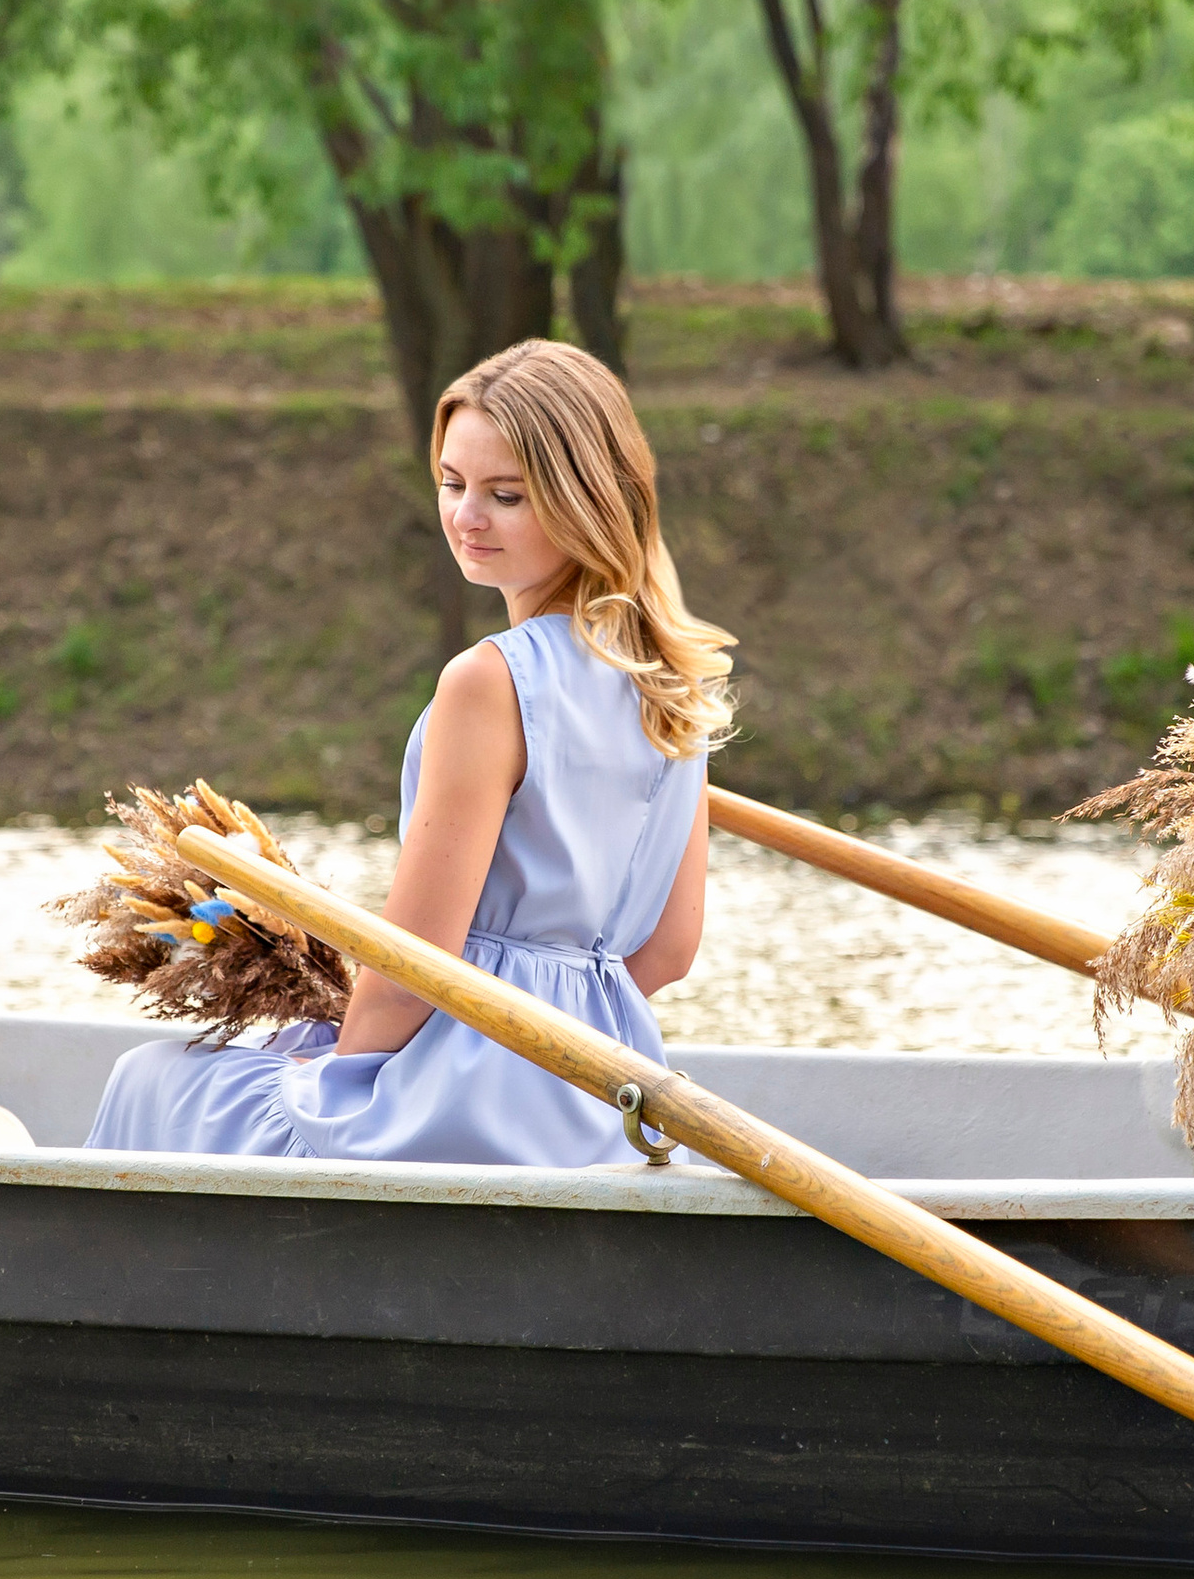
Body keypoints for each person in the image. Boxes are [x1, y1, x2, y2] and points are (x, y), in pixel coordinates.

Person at [86, 338, 736, 1167]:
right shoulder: (670, 684)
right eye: (452, 483)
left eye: (506, 495)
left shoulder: (488, 683)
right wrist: (552, 1020)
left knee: (152, 1079)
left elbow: (408, 973)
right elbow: (668, 953)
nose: (466, 517)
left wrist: (339, 1077)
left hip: (463, 1100)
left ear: (589, 500)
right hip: (603, 1090)